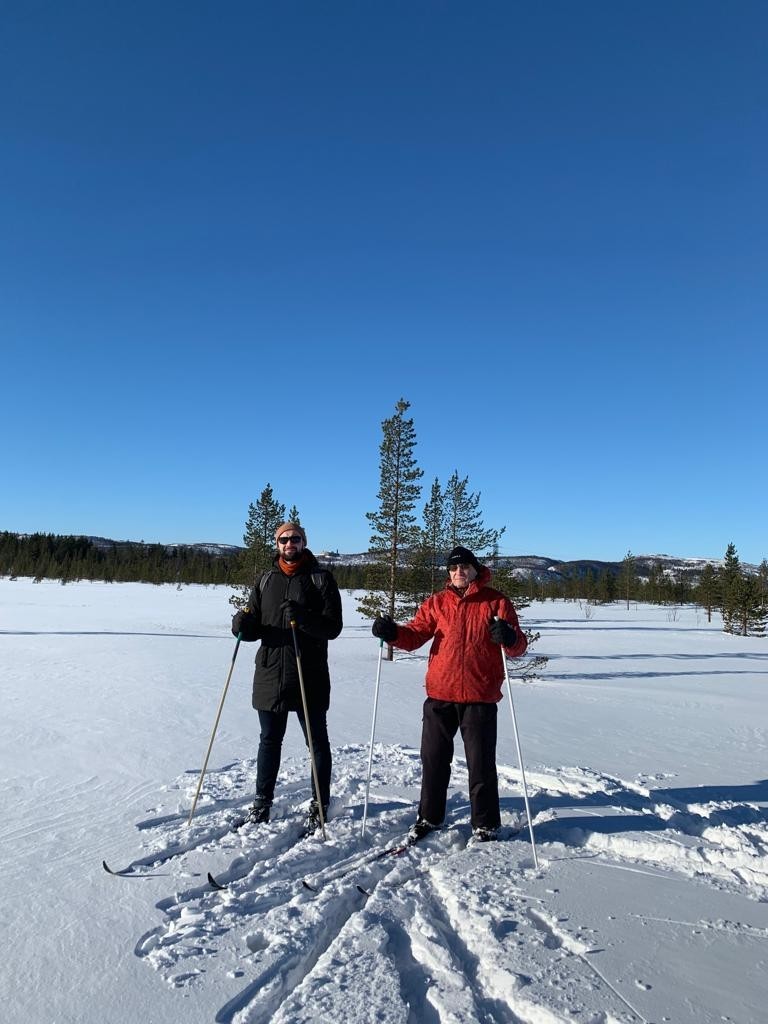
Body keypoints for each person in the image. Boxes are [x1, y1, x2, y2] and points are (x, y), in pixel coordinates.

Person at [372, 545, 527, 842]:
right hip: (440, 694)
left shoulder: (496, 602)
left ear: (475, 570)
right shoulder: (437, 603)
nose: (459, 572)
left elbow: (518, 646)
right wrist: (391, 633)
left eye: (465, 567)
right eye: (454, 568)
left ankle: (485, 824)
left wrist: (508, 637)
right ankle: (429, 817)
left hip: (479, 695)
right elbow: (415, 634)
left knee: (480, 763)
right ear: (449, 572)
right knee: (433, 760)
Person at [232, 521, 343, 832]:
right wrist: (241, 625)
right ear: (277, 544)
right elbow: (254, 625)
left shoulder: (321, 579)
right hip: (270, 673)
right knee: (269, 741)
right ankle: (262, 802)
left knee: (316, 742)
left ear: (303, 542)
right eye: (284, 539)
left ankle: (320, 804)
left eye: (295, 539)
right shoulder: (266, 580)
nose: (289, 544)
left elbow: (333, 628)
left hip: (309, 673)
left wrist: (305, 619)